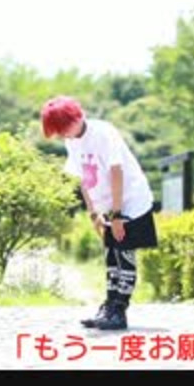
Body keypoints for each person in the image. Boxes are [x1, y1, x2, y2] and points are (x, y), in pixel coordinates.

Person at [41, 96, 158, 330]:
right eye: (59, 132)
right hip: (107, 206)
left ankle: (119, 312)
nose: (62, 135)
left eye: (63, 129)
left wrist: (117, 215)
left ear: (76, 117)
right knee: (111, 255)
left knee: (123, 253)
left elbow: (117, 172)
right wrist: (94, 213)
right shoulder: (72, 140)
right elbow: (83, 178)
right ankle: (109, 307)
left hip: (130, 200)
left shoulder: (103, 133)